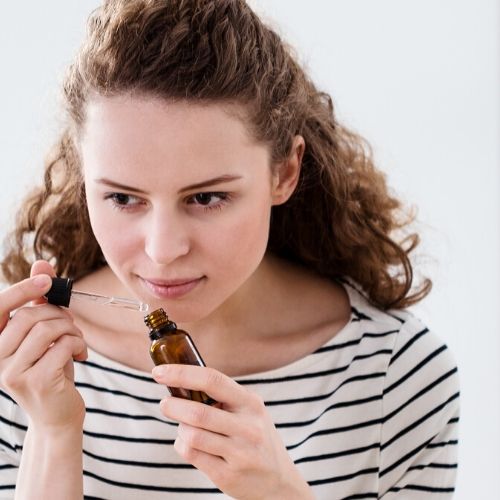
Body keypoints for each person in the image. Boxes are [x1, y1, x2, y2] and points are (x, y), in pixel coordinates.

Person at [0, 0, 459, 498]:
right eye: (122, 197)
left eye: (206, 197)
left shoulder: (395, 373)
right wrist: (51, 436)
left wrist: (282, 492)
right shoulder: (19, 365)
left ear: (284, 171)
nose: (163, 249)